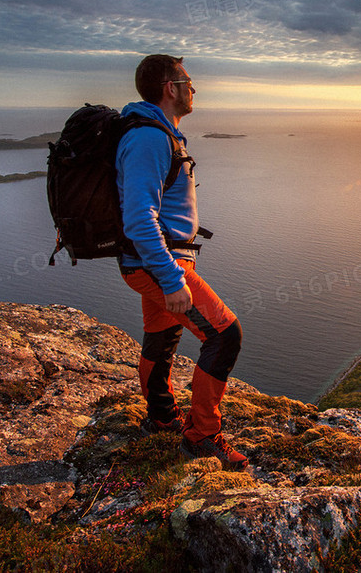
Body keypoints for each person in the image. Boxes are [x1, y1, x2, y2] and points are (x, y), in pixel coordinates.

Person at [116, 54, 247, 470]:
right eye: (188, 81)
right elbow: (139, 216)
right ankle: (201, 435)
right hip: (161, 265)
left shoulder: (156, 132)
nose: (194, 89)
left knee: (162, 338)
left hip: (151, 263)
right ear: (170, 88)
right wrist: (172, 279)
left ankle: (160, 417)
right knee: (225, 335)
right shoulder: (151, 138)